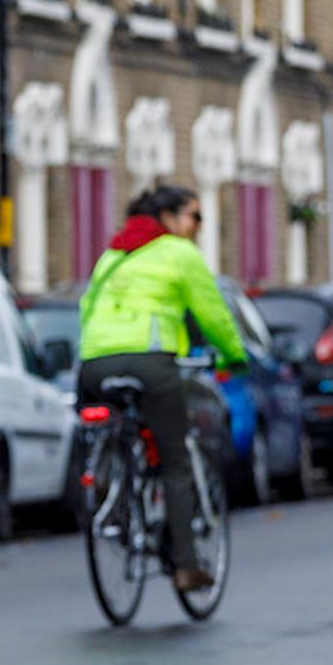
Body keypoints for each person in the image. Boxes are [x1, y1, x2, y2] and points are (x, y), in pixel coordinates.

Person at [76, 184, 248, 592]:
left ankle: (111, 483)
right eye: (195, 216)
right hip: (151, 362)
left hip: (94, 363)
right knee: (175, 460)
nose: (198, 228)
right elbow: (213, 315)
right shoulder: (179, 253)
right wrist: (234, 355)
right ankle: (187, 566)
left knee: (111, 426)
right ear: (169, 218)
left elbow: (87, 308)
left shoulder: (113, 255)